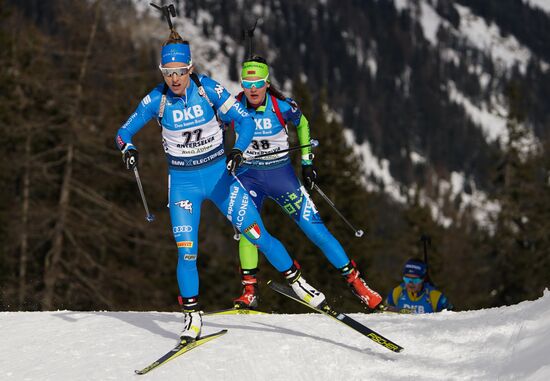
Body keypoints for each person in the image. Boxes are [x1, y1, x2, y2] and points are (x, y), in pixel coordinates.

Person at [115, 30, 326, 342]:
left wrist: (238, 151)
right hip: (183, 186)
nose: (174, 80)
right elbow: (123, 132)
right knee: (187, 253)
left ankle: (297, 282)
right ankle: (192, 316)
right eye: (168, 73)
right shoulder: (156, 100)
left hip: (219, 179)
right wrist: (128, 149)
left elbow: (246, 122)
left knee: (256, 234)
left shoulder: (209, 91)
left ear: (189, 69)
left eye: (180, 72)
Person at [229, 56, 382, 311]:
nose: (252, 88)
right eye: (247, 82)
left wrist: (308, 163)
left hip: (282, 177)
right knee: (247, 229)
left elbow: (303, 124)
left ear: (267, 83)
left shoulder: (282, 106)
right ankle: (249, 291)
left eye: (258, 82)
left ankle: (358, 285)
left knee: (316, 232)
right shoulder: (233, 107)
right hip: (248, 176)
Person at [385, 258, 452, 313]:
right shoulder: (397, 292)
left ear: (423, 279)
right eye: (407, 279)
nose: (410, 283)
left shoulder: (435, 296)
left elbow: (451, 318)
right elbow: (382, 313)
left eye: (415, 280)